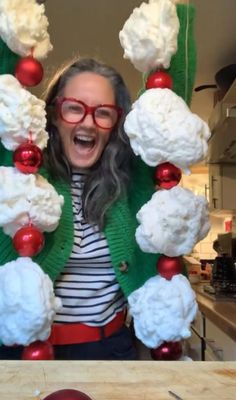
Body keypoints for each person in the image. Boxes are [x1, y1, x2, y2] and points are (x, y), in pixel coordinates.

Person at [0, 57, 157, 360]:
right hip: (20, 352)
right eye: (74, 107)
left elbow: (168, 101)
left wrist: (175, 13)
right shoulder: (20, 176)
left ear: (116, 124)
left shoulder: (131, 183)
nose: (88, 122)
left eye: (103, 113)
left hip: (110, 351)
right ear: (54, 115)